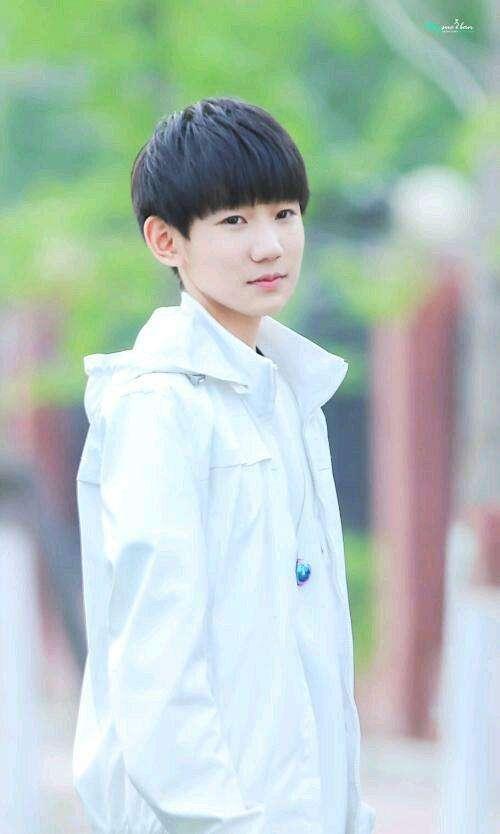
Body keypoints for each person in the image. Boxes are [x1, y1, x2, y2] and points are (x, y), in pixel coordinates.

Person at [73, 96, 376, 834]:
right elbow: (158, 659)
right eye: (235, 221)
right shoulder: (159, 408)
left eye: (284, 214)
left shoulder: (288, 396)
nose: (270, 246)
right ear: (166, 241)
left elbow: (314, 651)